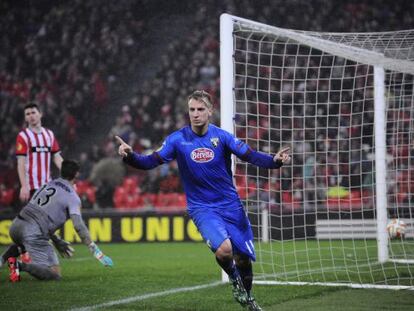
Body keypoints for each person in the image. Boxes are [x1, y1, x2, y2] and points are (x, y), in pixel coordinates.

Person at [115, 90, 290, 311]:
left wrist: (274, 161)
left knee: (243, 258)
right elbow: (150, 162)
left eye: (200, 109)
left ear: (210, 112)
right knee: (225, 250)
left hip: (231, 205)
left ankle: (247, 299)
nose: (195, 114)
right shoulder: (177, 140)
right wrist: (130, 156)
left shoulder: (223, 137)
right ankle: (235, 282)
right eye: (192, 110)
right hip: (202, 207)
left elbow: (250, 155)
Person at [5, 160, 113, 282]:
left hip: (16, 225)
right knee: (54, 274)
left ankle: (2, 259)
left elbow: (39, 214)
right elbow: (78, 226)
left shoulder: (48, 184)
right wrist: (95, 250)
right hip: (33, 232)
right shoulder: (72, 197)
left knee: (23, 242)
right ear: (76, 174)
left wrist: (56, 240)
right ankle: (18, 265)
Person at [2, 103, 64, 265]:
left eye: (33, 112)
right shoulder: (24, 136)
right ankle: (14, 258)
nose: (31, 116)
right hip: (32, 187)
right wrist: (24, 185)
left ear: (40, 114)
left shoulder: (49, 135)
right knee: (35, 229)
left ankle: (9, 257)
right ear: (25, 118)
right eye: (27, 113)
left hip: (46, 189)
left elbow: (57, 157)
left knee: (38, 228)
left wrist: (69, 176)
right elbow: (21, 162)